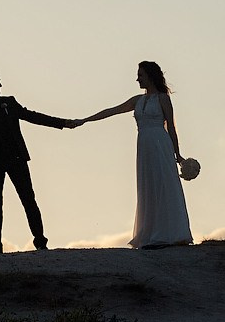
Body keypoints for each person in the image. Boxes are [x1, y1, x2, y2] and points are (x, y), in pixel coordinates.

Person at [73, 59, 193, 248]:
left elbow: (171, 126)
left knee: (164, 184)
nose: (137, 79)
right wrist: (85, 120)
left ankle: (171, 233)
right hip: (144, 146)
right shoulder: (138, 100)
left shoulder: (163, 98)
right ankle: (151, 232)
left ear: (150, 76)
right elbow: (113, 110)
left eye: (140, 75)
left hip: (161, 145)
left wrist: (177, 154)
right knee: (148, 185)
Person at [0, 69, 78, 254]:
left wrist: (63, 123)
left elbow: (33, 116)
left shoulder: (9, 103)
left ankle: (41, 242)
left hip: (16, 159)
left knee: (29, 200)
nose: (0, 85)